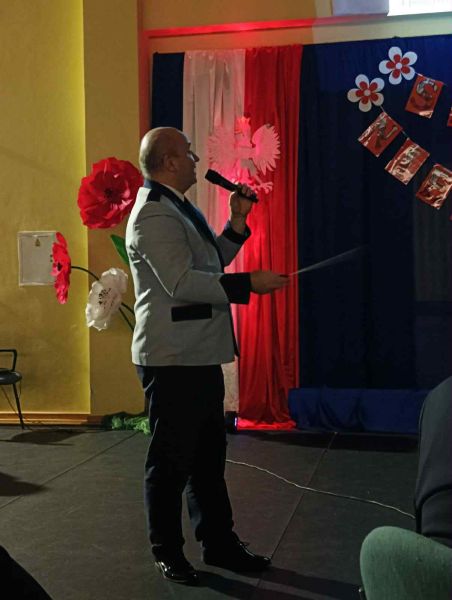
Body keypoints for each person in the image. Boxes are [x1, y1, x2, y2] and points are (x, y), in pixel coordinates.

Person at [125, 127, 289, 585]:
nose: (196, 161)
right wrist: (247, 284)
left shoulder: (178, 206)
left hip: (195, 354)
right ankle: (167, 551)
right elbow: (181, 283)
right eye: (189, 154)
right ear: (169, 162)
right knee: (171, 461)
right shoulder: (152, 213)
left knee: (207, 460)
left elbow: (210, 262)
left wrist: (237, 222)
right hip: (172, 358)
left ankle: (219, 543)